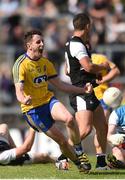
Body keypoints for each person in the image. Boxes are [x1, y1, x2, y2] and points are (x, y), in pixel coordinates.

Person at [12, 29, 93, 172]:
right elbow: (18, 91)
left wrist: (82, 90)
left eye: (42, 41)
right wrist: (24, 100)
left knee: (69, 119)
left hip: (48, 101)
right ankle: (78, 163)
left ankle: (80, 153)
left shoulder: (46, 63)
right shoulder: (20, 64)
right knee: (62, 140)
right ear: (29, 46)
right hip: (33, 110)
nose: (42, 44)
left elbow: (61, 85)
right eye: (38, 42)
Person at [64, 13, 110, 170]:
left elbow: (67, 70)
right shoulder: (77, 44)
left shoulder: (72, 44)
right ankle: (63, 155)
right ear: (88, 26)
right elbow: (89, 66)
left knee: (102, 126)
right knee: (84, 129)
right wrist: (103, 67)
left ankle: (101, 162)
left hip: (87, 90)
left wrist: (90, 75)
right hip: (81, 91)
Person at [92, 53, 120, 121]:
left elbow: (116, 71)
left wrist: (102, 80)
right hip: (84, 95)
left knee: (103, 124)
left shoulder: (99, 58)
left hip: (101, 96)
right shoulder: (76, 59)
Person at [107, 104, 125, 169]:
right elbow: (109, 135)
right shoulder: (117, 113)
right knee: (116, 150)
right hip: (122, 145)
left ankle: (117, 164)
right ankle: (119, 164)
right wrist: (115, 139)